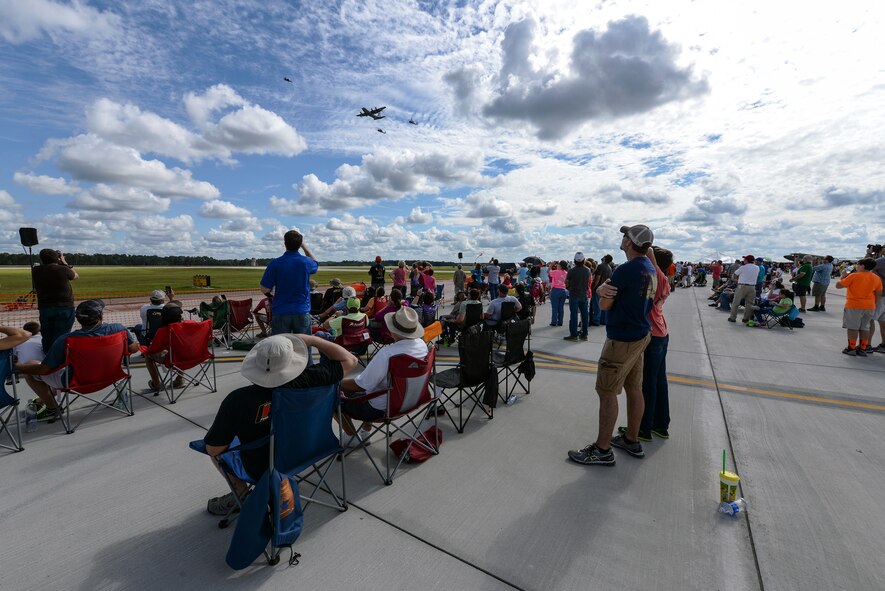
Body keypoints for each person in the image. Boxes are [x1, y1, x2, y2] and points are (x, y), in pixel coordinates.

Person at [203, 334, 357, 515]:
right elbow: (351, 359)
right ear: (293, 362)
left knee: (214, 449)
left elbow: (214, 449)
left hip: (266, 465)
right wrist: (313, 340)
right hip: (312, 448)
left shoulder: (237, 400)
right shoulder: (315, 378)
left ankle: (241, 493)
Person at [568, 224, 656, 467]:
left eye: (625, 236)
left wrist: (598, 290)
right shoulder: (650, 268)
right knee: (634, 388)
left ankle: (602, 449)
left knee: (607, 392)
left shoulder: (626, 270)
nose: (623, 239)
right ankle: (631, 439)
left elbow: (605, 305)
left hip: (621, 339)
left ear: (629, 242)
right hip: (640, 334)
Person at [16, 300, 139, 422]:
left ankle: (51, 408)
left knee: (30, 366)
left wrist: (18, 367)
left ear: (78, 319)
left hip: (75, 383)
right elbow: (133, 348)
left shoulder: (66, 339)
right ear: (101, 316)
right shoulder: (118, 329)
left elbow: (44, 369)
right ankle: (43, 399)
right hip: (112, 377)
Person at [339, 307, 428, 435]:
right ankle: (365, 430)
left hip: (382, 408)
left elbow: (361, 385)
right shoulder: (422, 345)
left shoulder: (387, 354)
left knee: (333, 397)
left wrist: (337, 382)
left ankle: (352, 437)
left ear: (392, 331)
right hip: (411, 400)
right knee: (376, 386)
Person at [631, 246, 672, 441]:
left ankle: (643, 428)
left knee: (646, 383)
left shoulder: (658, 278)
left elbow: (653, 264)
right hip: (662, 332)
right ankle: (660, 425)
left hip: (653, 335)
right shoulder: (664, 282)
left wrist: (646, 246)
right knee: (658, 381)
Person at [260, 230, 317, 336]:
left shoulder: (275, 263)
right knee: (303, 347)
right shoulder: (306, 262)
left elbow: (265, 289)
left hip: (281, 311)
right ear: (299, 245)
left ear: (284, 243)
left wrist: (271, 295)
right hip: (301, 310)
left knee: (281, 349)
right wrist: (303, 246)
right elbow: (315, 262)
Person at [32, 248, 79, 353]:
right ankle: (59, 360)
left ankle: (47, 357)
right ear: (57, 258)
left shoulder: (36, 270)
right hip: (64, 307)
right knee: (62, 336)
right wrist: (65, 262)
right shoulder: (63, 269)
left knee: (47, 335)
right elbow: (75, 276)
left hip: (45, 307)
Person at [836, 258, 882, 357]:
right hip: (870, 306)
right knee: (865, 327)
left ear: (862, 266)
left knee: (853, 327)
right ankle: (862, 348)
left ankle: (851, 348)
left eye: (858, 264)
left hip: (854, 305)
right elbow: (878, 293)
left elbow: (838, 286)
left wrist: (843, 276)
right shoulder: (876, 277)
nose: (856, 266)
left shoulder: (854, 276)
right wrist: (875, 303)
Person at [142, 304, 189, 394]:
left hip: (174, 360)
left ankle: (156, 384)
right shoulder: (189, 325)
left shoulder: (163, 331)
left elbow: (153, 350)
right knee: (182, 350)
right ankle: (179, 379)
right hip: (193, 356)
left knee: (148, 356)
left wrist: (144, 349)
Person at [564, 252, 591, 341]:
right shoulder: (588, 270)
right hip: (584, 294)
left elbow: (566, 282)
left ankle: (574, 335)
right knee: (584, 315)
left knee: (574, 315)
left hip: (574, 294)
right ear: (583, 260)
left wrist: (569, 287)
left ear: (575, 260)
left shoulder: (571, 271)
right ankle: (584, 334)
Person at [728, 255, 760, 324]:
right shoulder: (757, 267)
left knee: (736, 302)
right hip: (752, 287)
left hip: (742, 286)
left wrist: (735, 279)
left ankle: (733, 317)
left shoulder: (743, 267)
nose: (744, 261)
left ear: (747, 260)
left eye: (745, 259)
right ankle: (746, 318)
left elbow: (735, 274)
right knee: (749, 304)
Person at [590, 255, 612, 326]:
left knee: (597, 305)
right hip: (605, 288)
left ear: (605, 258)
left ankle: (596, 320)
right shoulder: (609, 268)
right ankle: (603, 320)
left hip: (598, 288)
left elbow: (598, 278)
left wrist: (593, 287)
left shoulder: (600, 266)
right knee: (602, 305)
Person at [548, 260, 568, 326]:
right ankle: (560, 322)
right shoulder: (566, 273)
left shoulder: (556, 272)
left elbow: (548, 272)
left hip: (555, 290)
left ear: (560, 266)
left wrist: (551, 265)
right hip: (563, 290)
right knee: (561, 307)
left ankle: (554, 322)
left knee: (554, 307)